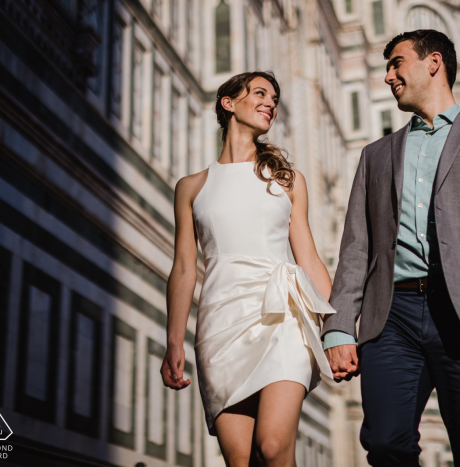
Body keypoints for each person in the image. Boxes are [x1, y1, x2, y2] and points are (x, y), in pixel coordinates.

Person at [322, 30, 460, 466]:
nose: (388, 75)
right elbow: (355, 247)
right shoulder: (375, 155)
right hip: (391, 318)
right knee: (385, 444)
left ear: (433, 62)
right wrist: (339, 325)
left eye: (396, 63)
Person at [161, 71, 335, 467]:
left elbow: (307, 257)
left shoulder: (288, 180)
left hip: (284, 318)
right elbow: (185, 268)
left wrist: (340, 330)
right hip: (221, 325)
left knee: (273, 447)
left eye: (274, 98)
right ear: (228, 103)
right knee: (241, 462)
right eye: (260, 93)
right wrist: (174, 342)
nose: (270, 103)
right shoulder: (191, 187)